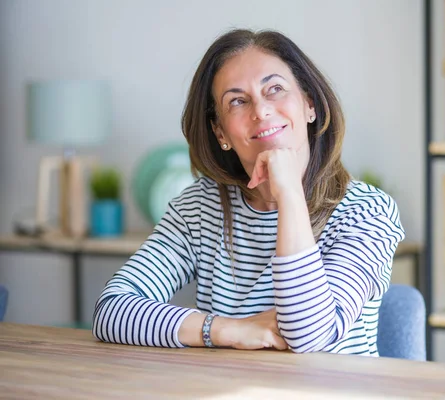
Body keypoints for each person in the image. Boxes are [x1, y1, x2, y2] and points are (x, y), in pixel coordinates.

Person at [93, 28, 405, 356]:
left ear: (309, 104)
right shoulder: (199, 209)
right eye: (238, 101)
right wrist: (228, 329)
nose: (260, 110)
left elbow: (310, 337)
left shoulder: (367, 212)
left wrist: (288, 193)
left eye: (275, 89)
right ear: (220, 131)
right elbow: (112, 310)